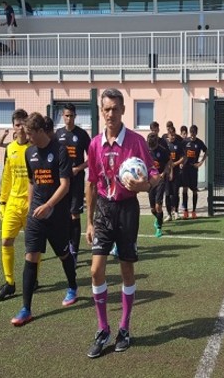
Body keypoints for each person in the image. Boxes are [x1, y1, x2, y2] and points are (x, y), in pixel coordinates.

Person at [85, 88, 159, 358]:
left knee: (127, 269)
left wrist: (145, 184)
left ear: (123, 110)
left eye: (115, 109)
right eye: (106, 109)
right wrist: (89, 222)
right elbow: (91, 182)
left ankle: (124, 327)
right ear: (101, 111)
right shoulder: (94, 144)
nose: (111, 114)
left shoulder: (136, 141)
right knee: (95, 271)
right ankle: (103, 329)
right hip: (104, 209)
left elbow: (154, 173)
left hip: (128, 209)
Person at [10, 113, 78, 326]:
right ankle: (26, 308)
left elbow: (65, 185)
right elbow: (32, 181)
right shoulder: (29, 152)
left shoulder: (60, 151)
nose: (28, 137)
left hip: (56, 214)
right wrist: (32, 207)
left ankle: (73, 287)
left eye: (30, 133)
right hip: (36, 216)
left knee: (63, 253)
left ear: (40, 131)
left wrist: (49, 206)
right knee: (31, 256)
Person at [0, 109, 32, 300]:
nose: (21, 129)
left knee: (31, 246)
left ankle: (32, 279)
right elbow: (6, 177)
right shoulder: (10, 150)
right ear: (13, 127)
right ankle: (9, 283)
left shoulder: (34, 148)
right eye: (18, 125)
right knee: (6, 241)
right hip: (13, 204)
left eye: (24, 124)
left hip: (32, 205)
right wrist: (2, 202)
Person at [55, 103, 90, 264]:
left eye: (71, 116)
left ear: (75, 116)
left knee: (74, 214)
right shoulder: (58, 135)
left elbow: (92, 159)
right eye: (66, 115)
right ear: (62, 116)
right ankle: (68, 246)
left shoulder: (82, 135)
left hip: (76, 182)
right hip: (62, 182)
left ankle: (74, 251)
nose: (69, 119)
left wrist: (78, 168)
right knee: (63, 215)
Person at [181, 124, 207, 219]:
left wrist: (200, 162)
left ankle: (194, 211)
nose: (192, 136)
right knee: (184, 188)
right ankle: (185, 211)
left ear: (196, 133)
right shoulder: (185, 141)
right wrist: (181, 162)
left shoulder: (199, 143)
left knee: (194, 190)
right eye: (191, 134)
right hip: (185, 168)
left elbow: (206, 151)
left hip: (194, 169)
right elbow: (180, 151)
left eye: (194, 134)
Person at [147, 132, 170, 237]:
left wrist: (164, 173)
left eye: (153, 146)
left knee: (158, 206)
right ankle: (158, 218)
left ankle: (159, 229)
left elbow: (168, 162)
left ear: (156, 142)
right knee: (152, 209)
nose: (151, 148)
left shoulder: (163, 150)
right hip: (150, 181)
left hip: (160, 179)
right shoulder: (146, 150)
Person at [165, 126, 185, 221]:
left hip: (176, 173)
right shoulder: (165, 144)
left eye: (174, 135)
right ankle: (168, 214)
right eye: (171, 135)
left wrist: (175, 164)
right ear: (168, 135)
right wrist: (168, 167)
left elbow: (183, 157)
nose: (172, 137)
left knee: (175, 193)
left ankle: (176, 212)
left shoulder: (178, 144)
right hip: (167, 173)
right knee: (168, 194)